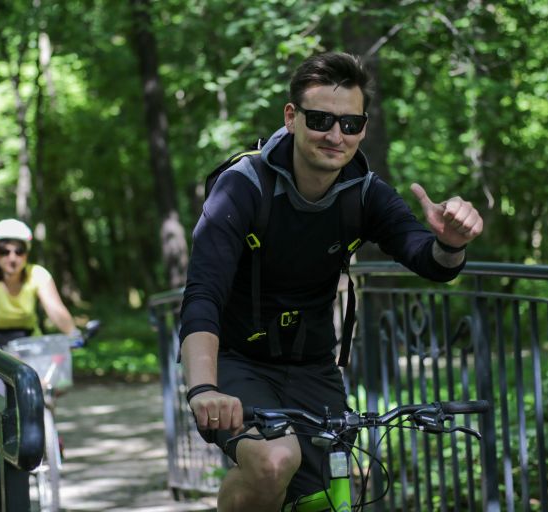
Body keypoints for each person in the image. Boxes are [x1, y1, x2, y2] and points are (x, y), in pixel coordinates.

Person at [179, 51, 483, 511]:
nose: (335, 136)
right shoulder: (243, 185)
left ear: (362, 128)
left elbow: (429, 259)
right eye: (320, 119)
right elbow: (203, 293)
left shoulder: (364, 192)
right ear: (292, 117)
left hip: (312, 365)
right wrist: (204, 389)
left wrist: (451, 243)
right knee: (274, 461)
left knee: (328, 491)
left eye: (350, 124)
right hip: (236, 360)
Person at [0, 218, 78, 389]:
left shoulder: (38, 274)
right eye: (4, 251)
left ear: (26, 253)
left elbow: (55, 310)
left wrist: (73, 334)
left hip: (31, 345)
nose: (12, 258)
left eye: (19, 251)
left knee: (46, 390)